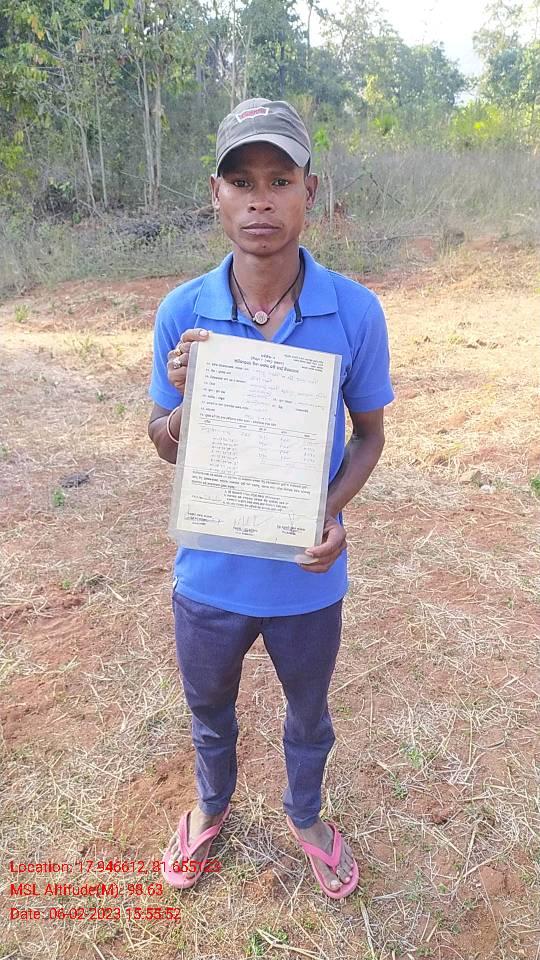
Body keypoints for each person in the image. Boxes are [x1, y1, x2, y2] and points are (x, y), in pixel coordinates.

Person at [147, 98, 395, 899]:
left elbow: (370, 437)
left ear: (308, 192)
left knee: (309, 714)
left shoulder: (354, 311)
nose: (261, 200)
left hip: (305, 576)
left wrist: (329, 512)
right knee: (208, 710)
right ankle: (210, 806)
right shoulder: (183, 314)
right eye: (242, 181)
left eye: (280, 180)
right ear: (215, 195)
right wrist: (186, 406)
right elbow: (162, 439)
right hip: (210, 573)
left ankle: (306, 815)